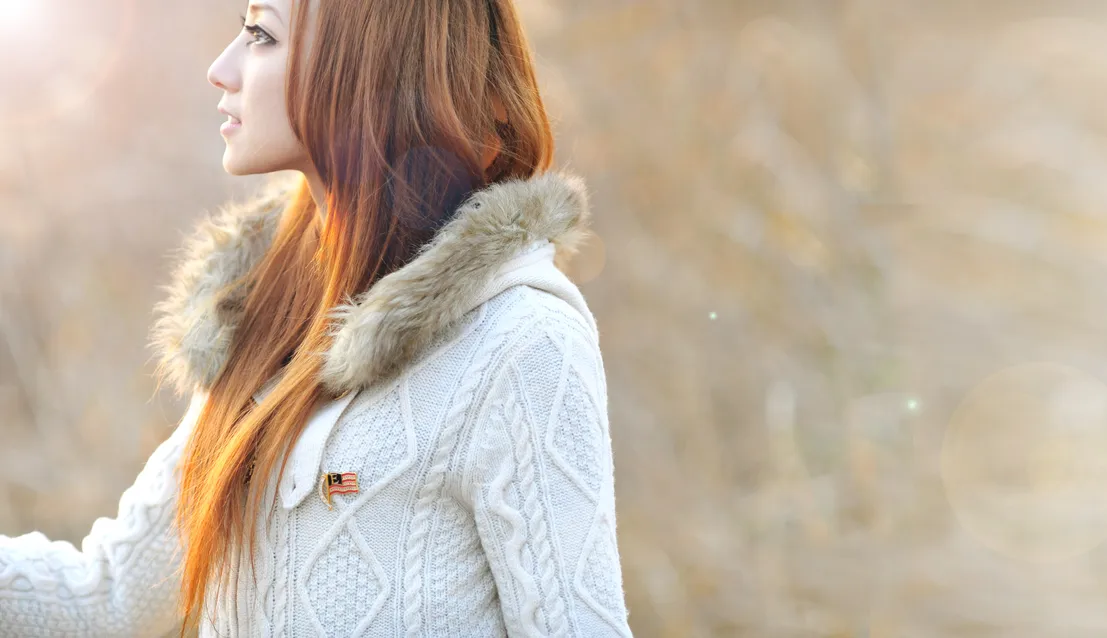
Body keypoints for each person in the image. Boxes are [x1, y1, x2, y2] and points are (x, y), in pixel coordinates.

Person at [0, 0, 633, 635]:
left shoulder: (521, 340)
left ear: (369, 65)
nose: (221, 68)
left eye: (261, 35)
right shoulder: (261, 311)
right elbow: (106, 597)